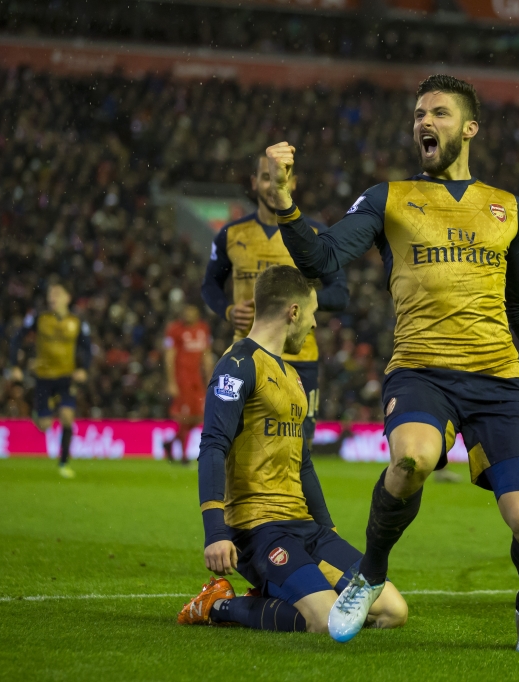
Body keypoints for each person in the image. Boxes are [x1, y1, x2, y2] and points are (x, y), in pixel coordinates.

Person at [270, 74, 519, 653]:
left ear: (469, 128)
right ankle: (369, 574)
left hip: (498, 382)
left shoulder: (508, 208)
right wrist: (287, 207)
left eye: (439, 113)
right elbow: (323, 258)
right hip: (420, 371)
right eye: (419, 113)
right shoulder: (387, 199)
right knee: (414, 460)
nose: (425, 122)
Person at [178, 264, 408, 633]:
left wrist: (327, 529)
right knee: (327, 620)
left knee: (392, 611)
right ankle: (219, 605)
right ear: (294, 311)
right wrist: (215, 532)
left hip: (304, 526)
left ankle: (276, 596)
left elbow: (304, 465)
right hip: (258, 529)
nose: (315, 325)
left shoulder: (293, 377)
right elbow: (212, 445)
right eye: (314, 313)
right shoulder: (237, 365)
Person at [202, 154, 350, 451]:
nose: (272, 185)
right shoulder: (231, 234)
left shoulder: (316, 234)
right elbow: (210, 286)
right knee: (240, 446)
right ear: (254, 182)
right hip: (245, 359)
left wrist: (306, 301)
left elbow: (340, 293)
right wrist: (229, 311)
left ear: (292, 183)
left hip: (300, 361)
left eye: (279, 177)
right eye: (266, 177)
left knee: (299, 451)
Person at [8, 280, 91, 478]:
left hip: (66, 377)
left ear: (67, 298)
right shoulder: (40, 318)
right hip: (44, 377)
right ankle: (39, 412)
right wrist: (15, 365)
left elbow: (87, 349)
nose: (52, 297)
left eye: (57, 294)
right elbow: (17, 338)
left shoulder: (77, 322)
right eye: (50, 294)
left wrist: (83, 369)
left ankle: (64, 463)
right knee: (44, 425)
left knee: (67, 418)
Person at [162, 303, 214, 463]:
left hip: (197, 380)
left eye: (192, 311)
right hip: (182, 379)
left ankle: (170, 443)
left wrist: (210, 376)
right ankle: (184, 456)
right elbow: (169, 356)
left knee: (197, 417)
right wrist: (172, 382)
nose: (189, 314)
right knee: (185, 417)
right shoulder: (175, 329)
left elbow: (206, 355)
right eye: (187, 311)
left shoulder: (203, 329)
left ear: (197, 313)